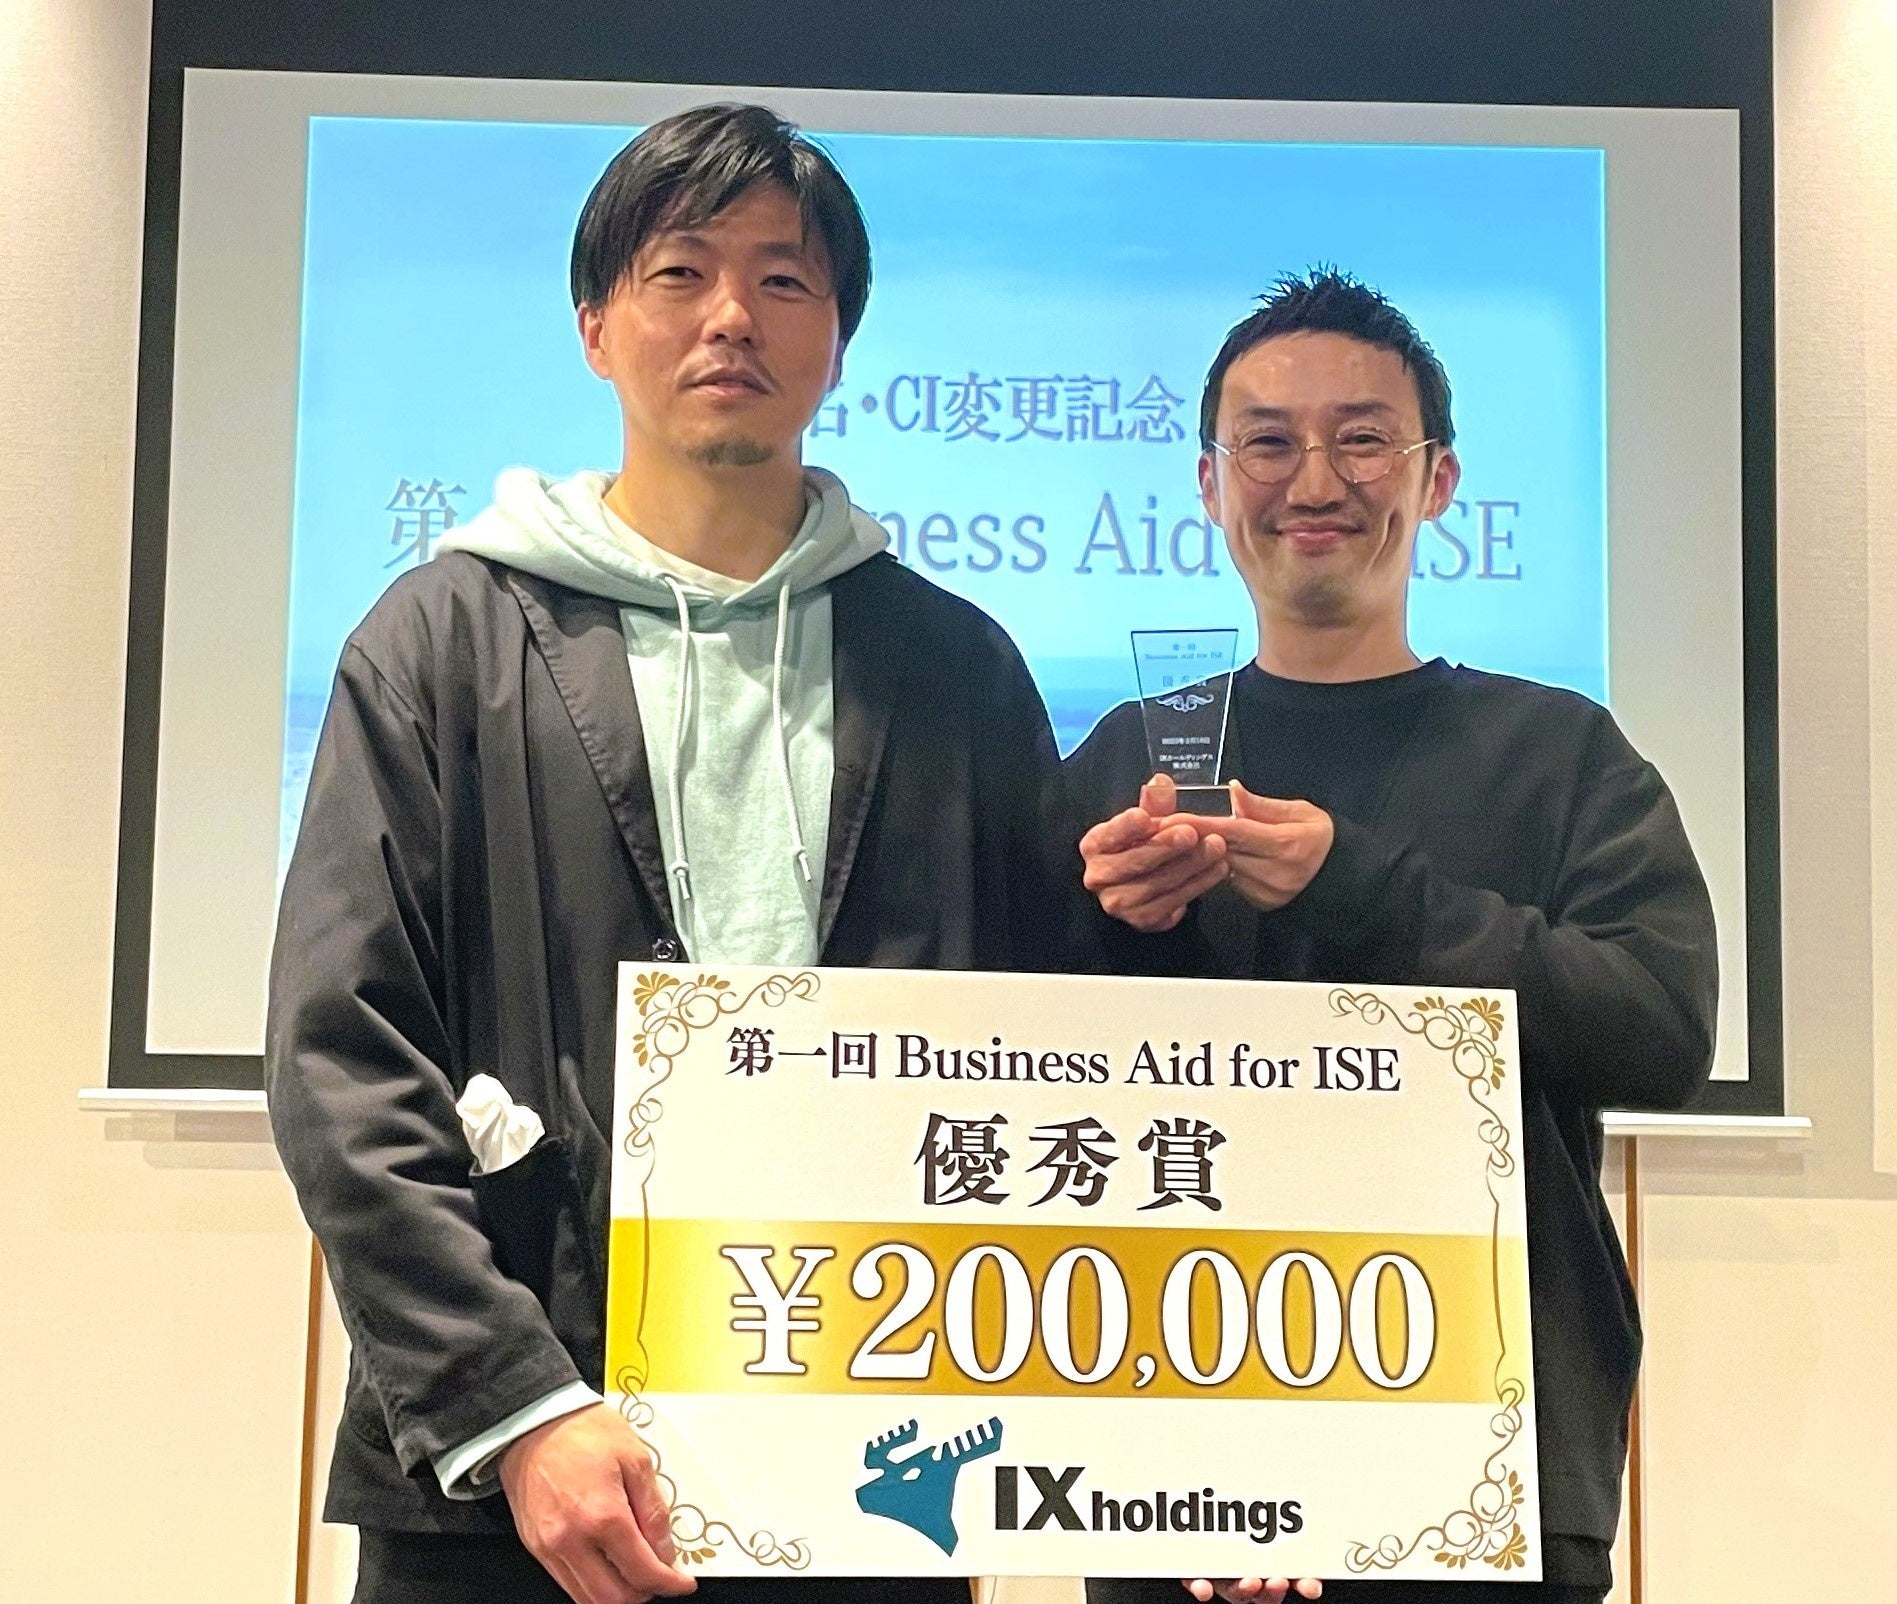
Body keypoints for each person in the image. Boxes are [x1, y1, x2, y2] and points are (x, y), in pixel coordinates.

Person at [267, 103, 1083, 1604]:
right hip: (524, 1479)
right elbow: (340, 1050)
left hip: (869, 1457)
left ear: (837, 338)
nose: (731, 317)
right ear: (595, 325)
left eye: (784, 279)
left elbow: (1056, 1042)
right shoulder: (444, 641)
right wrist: (516, 1404)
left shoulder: (954, 669)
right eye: (679, 272)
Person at [1069, 271, 1718, 1604]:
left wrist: (1358, 887)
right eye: (1267, 441)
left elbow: (1659, 1033)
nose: (1314, 479)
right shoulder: (1131, 759)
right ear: (1209, 484)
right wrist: (1108, 921)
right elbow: (1002, 1074)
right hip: (1168, 1455)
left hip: (1482, 1466)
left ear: (1436, 479)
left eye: (1362, 438)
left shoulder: (1560, 754)